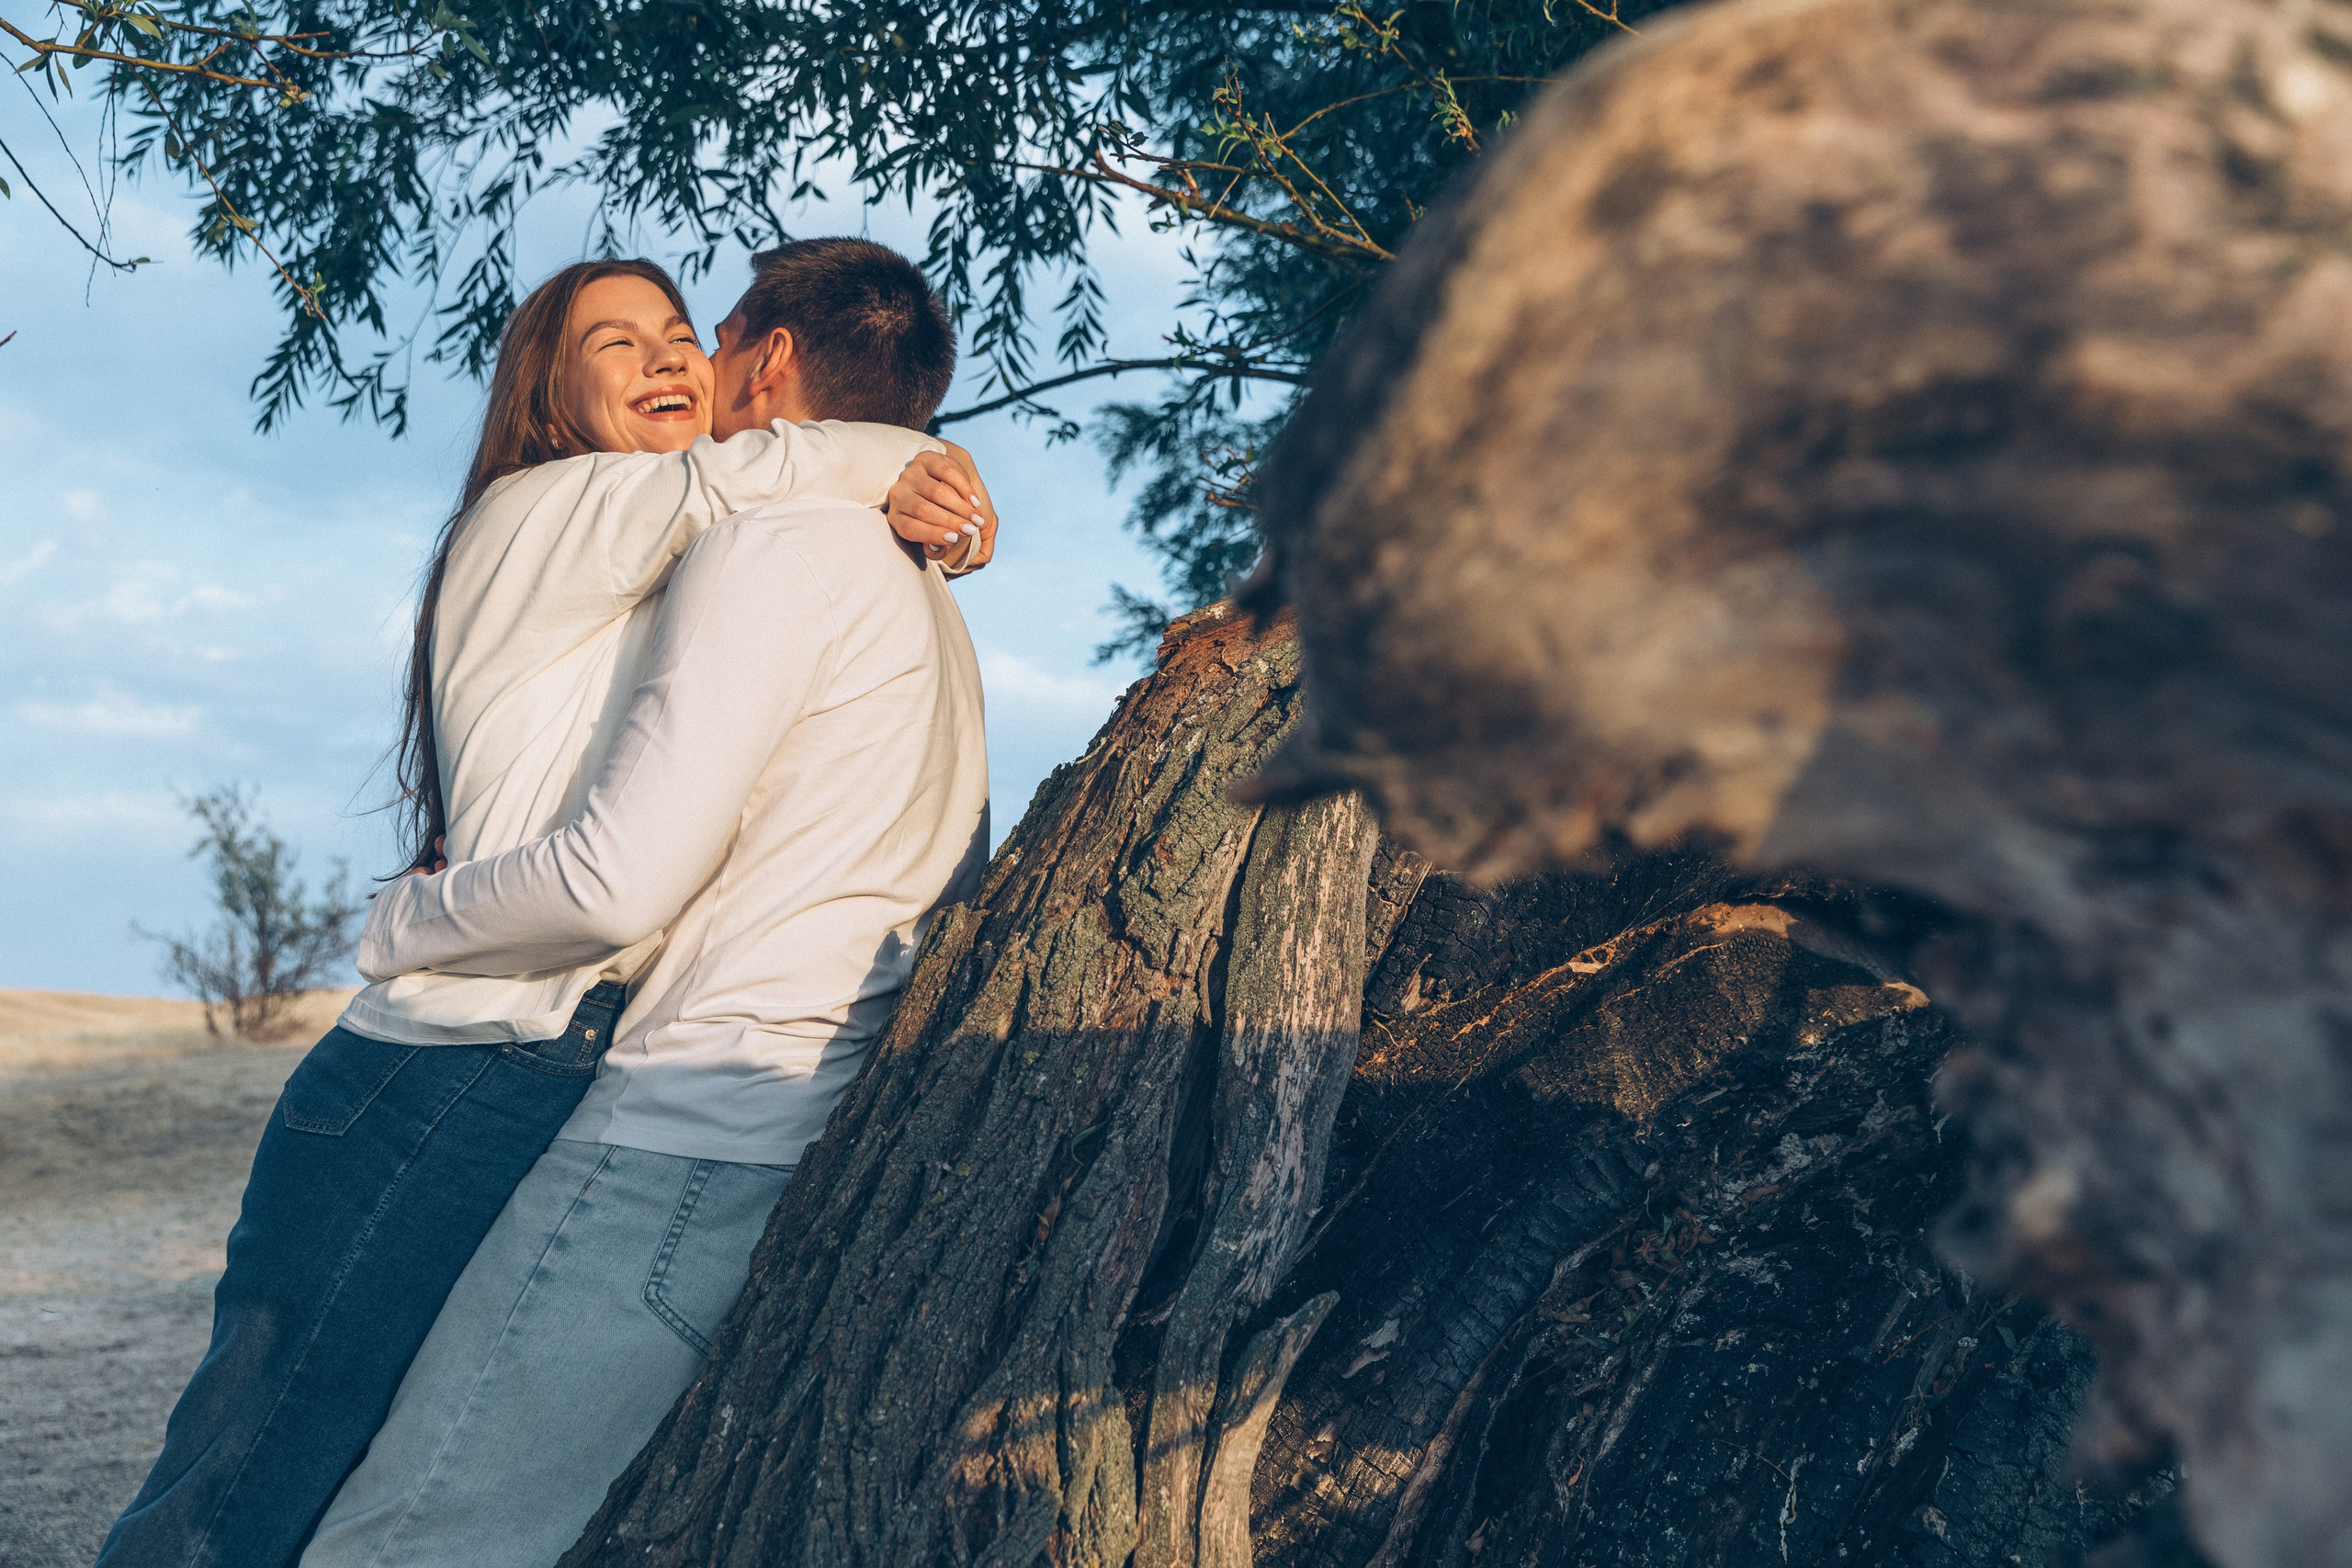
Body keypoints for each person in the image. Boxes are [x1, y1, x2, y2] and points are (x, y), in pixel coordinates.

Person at [96, 253, 996, 1568]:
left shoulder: (722, 544)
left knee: (349, 1470)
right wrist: (919, 463)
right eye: (616, 343)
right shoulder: (550, 508)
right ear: (546, 390)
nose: (671, 357)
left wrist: (906, 480)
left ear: (760, 360)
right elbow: (738, 479)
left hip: (535, 1060)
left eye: (683, 330)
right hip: (445, 1062)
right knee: (242, 1491)